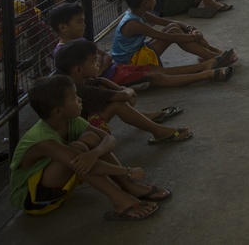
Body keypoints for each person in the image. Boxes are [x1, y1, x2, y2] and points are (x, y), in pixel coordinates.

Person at [9, 75, 168, 221]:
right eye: (73, 98)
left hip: (60, 184)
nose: (79, 99)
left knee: (91, 139)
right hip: (35, 199)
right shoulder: (42, 139)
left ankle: (128, 186)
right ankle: (120, 200)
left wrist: (95, 153)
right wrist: (127, 171)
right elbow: (80, 163)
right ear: (58, 110)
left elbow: (108, 138)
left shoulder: (71, 120)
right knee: (78, 149)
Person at [48, 2, 229, 89]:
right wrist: (99, 71)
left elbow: (107, 56)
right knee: (156, 77)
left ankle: (205, 64)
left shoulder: (81, 42)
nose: (84, 25)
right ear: (63, 28)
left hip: (116, 69)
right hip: (111, 80)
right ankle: (205, 72)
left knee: (156, 71)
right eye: (79, 22)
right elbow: (77, 80)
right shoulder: (62, 53)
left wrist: (99, 67)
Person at [54, 40, 194, 144]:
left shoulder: (77, 80)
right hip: (78, 137)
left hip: (81, 125)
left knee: (114, 97)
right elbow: (123, 96)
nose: (98, 63)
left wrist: (119, 89)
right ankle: (159, 131)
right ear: (78, 69)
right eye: (94, 61)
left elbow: (101, 81)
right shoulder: (81, 89)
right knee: (118, 104)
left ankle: (145, 118)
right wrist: (127, 90)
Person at [112, 0, 237, 79]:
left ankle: (211, 55)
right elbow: (168, 38)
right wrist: (194, 36)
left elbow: (167, 22)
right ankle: (212, 57)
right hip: (132, 61)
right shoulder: (133, 24)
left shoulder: (138, 12)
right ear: (145, 2)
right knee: (173, 32)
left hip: (138, 51)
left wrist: (189, 28)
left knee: (173, 28)